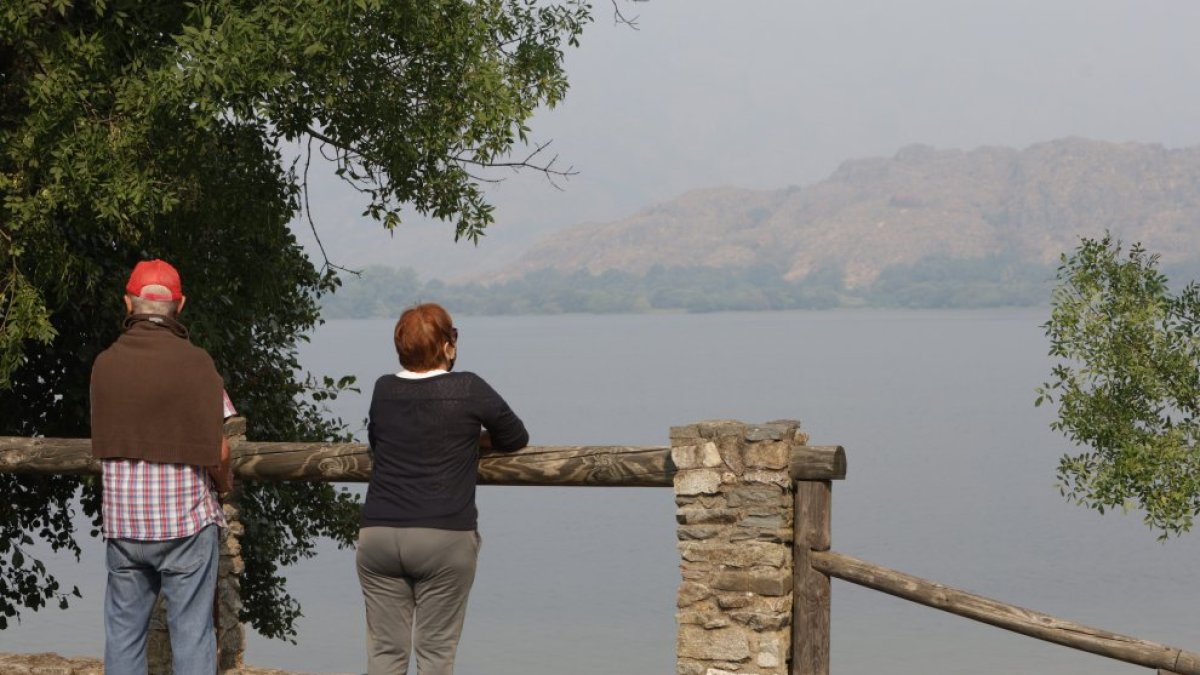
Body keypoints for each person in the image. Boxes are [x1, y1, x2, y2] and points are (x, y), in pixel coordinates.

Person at [358, 303, 528, 675]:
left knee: (385, 655)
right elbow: (515, 438)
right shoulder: (467, 387)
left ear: (400, 347)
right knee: (435, 656)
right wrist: (473, 439)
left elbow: (378, 441)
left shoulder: (383, 389)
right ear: (448, 344)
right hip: (443, 536)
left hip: (379, 536)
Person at [90, 259, 233, 675]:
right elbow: (219, 451)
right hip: (184, 522)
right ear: (180, 305)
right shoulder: (198, 365)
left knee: (123, 635)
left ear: (128, 304)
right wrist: (223, 486)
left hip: (124, 522)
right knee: (191, 633)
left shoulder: (104, 365)